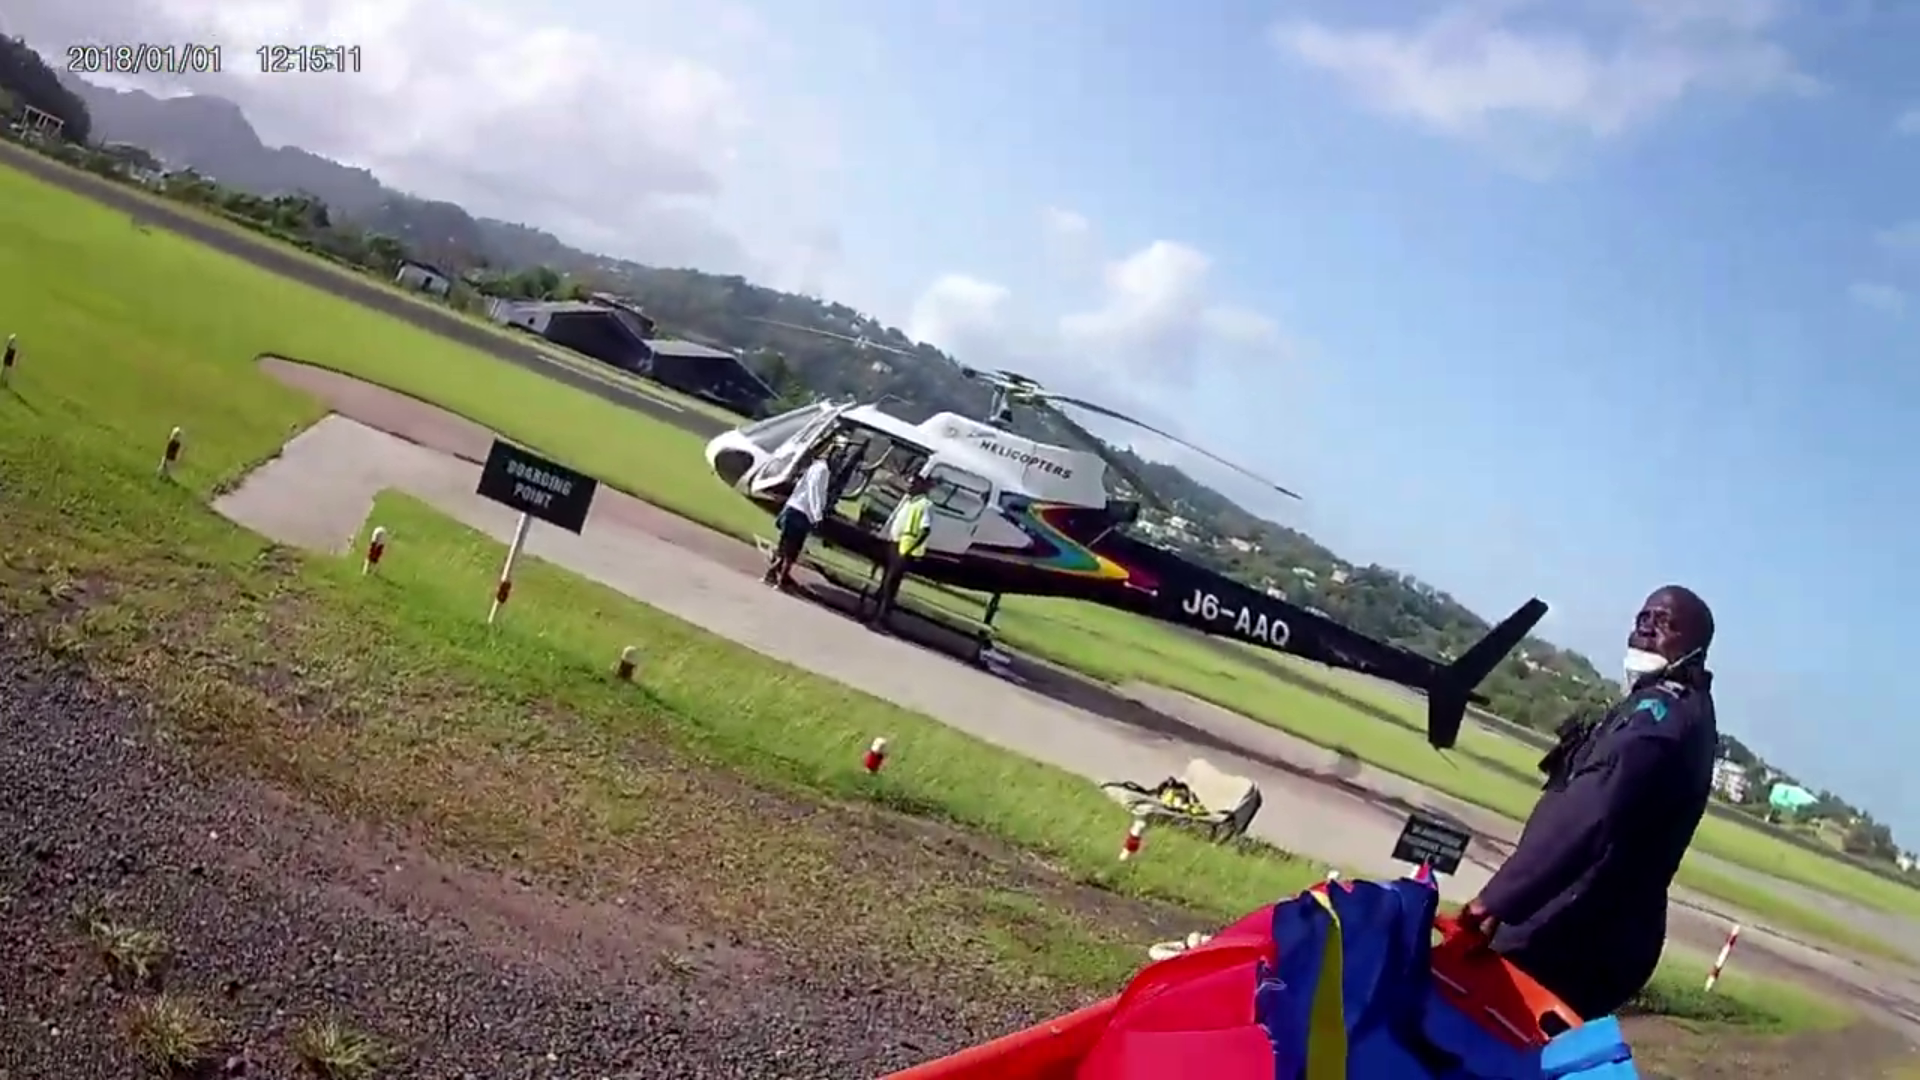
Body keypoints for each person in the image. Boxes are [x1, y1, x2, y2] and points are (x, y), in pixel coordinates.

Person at [1458, 585, 1719, 1020]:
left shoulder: (1659, 718)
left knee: (1478, 1029)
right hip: (1595, 928)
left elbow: (1589, 812)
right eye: (1643, 618)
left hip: (1574, 932)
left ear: (1695, 646)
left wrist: (1496, 900)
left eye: (1665, 623)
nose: (1647, 630)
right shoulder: (1678, 710)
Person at [867, 474, 935, 632]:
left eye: (913, 485)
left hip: (904, 549)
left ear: (921, 487)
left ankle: (882, 619)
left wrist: (909, 549)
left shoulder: (925, 505)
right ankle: (877, 614)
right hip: (895, 545)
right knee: (885, 582)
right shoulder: (910, 502)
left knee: (891, 584)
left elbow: (925, 529)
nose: (909, 487)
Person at [763, 449, 836, 590]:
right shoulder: (822, 471)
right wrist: (817, 516)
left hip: (793, 509)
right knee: (791, 551)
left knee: (785, 547)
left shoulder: (814, 467)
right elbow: (815, 493)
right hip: (801, 513)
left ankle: (773, 575)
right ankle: (780, 580)